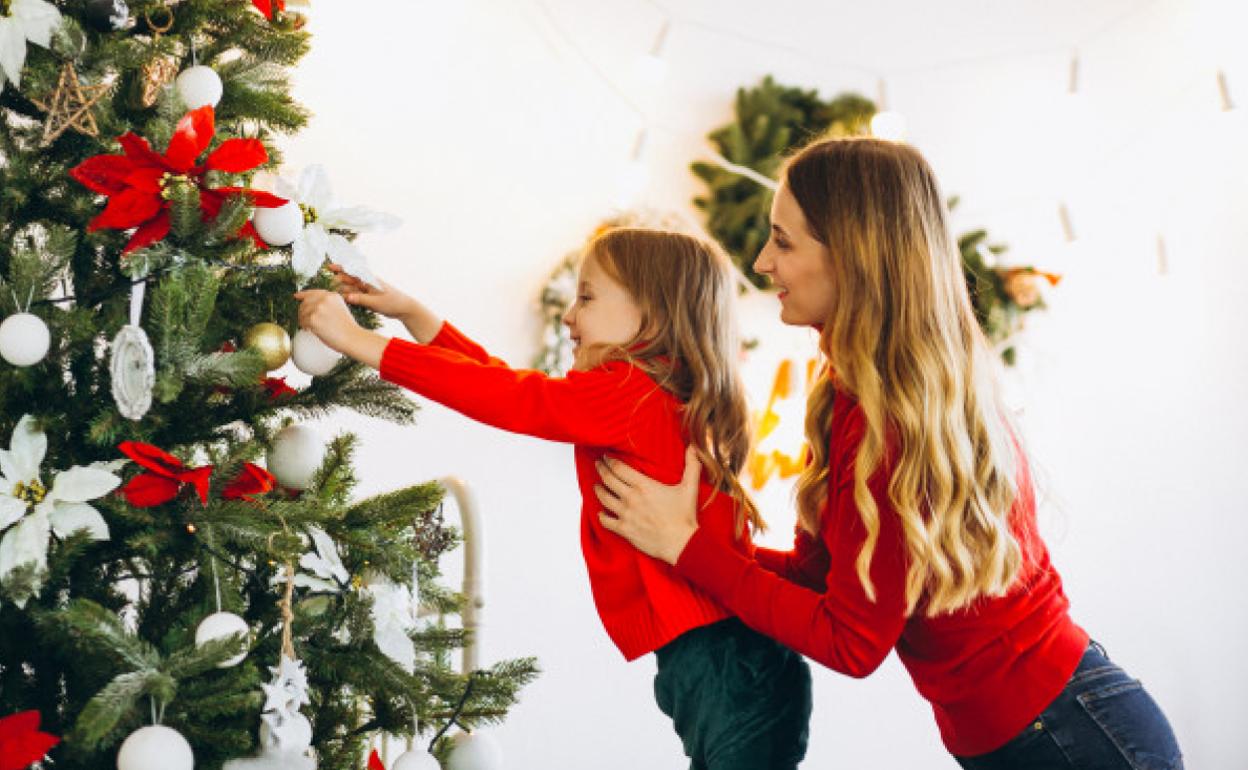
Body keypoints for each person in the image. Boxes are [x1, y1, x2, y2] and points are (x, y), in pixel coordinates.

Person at [593, 138, 1184, 769]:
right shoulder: (853, 403)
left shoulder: (894, 426)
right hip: (1041, 735)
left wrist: (690, 547)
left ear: (854, 257)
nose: (763, 261)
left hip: (1073, 739)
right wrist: (692, 544)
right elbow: (820, 584)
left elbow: (852, 643)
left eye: (784, 242)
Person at [294, 228, 812, 769]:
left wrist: (357, 341)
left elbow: (512, 398)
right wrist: (415, 316)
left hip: (729, 667)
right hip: (730, 664)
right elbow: (506, 383)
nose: (569, 316)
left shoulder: (632, 393)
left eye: (586, 298)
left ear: (652, 316)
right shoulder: (644, 392)